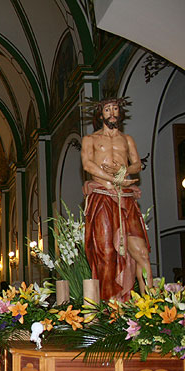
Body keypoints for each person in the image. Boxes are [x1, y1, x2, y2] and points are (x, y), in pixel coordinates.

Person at [81, 97, 152, 301]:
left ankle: (150, 304)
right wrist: (114, 178)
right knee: (106, 254)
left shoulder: (127, 139)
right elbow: (87, 165)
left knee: (142, 254)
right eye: (107, 110)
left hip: (126, 199)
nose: (112, 113)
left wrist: (124, 171)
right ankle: (110, 306)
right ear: (100, 114)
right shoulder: (91, 140)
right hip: (103, 197)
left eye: (115, 109)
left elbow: (137, 165)